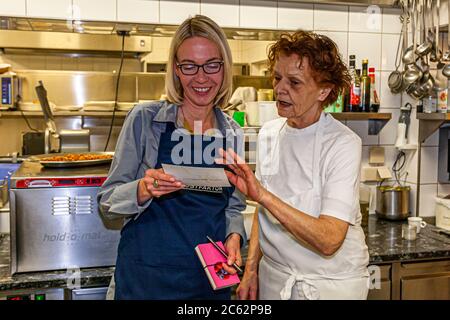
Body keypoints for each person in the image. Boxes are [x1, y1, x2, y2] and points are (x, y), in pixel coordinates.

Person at [97, 15, 246, 300]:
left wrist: (234, 237)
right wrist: (142, 189)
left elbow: (234, 208)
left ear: (224, 67)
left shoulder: (232, 132)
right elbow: (108, 203)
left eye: (212, 65)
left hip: (207, 285)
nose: (201, 78)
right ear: (176, 70)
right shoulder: (145, 120)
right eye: (189, 66)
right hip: (145, 281)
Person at [217, 30, 370, 300]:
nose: (279, 89)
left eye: (294, 83)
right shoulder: (269, 133)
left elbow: (329, 240)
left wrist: (261, 194)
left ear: (324, 90)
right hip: (274, 279)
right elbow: (263, 214)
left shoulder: (342, 144)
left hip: (328, 285)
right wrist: (251, 269)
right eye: (277, 78)